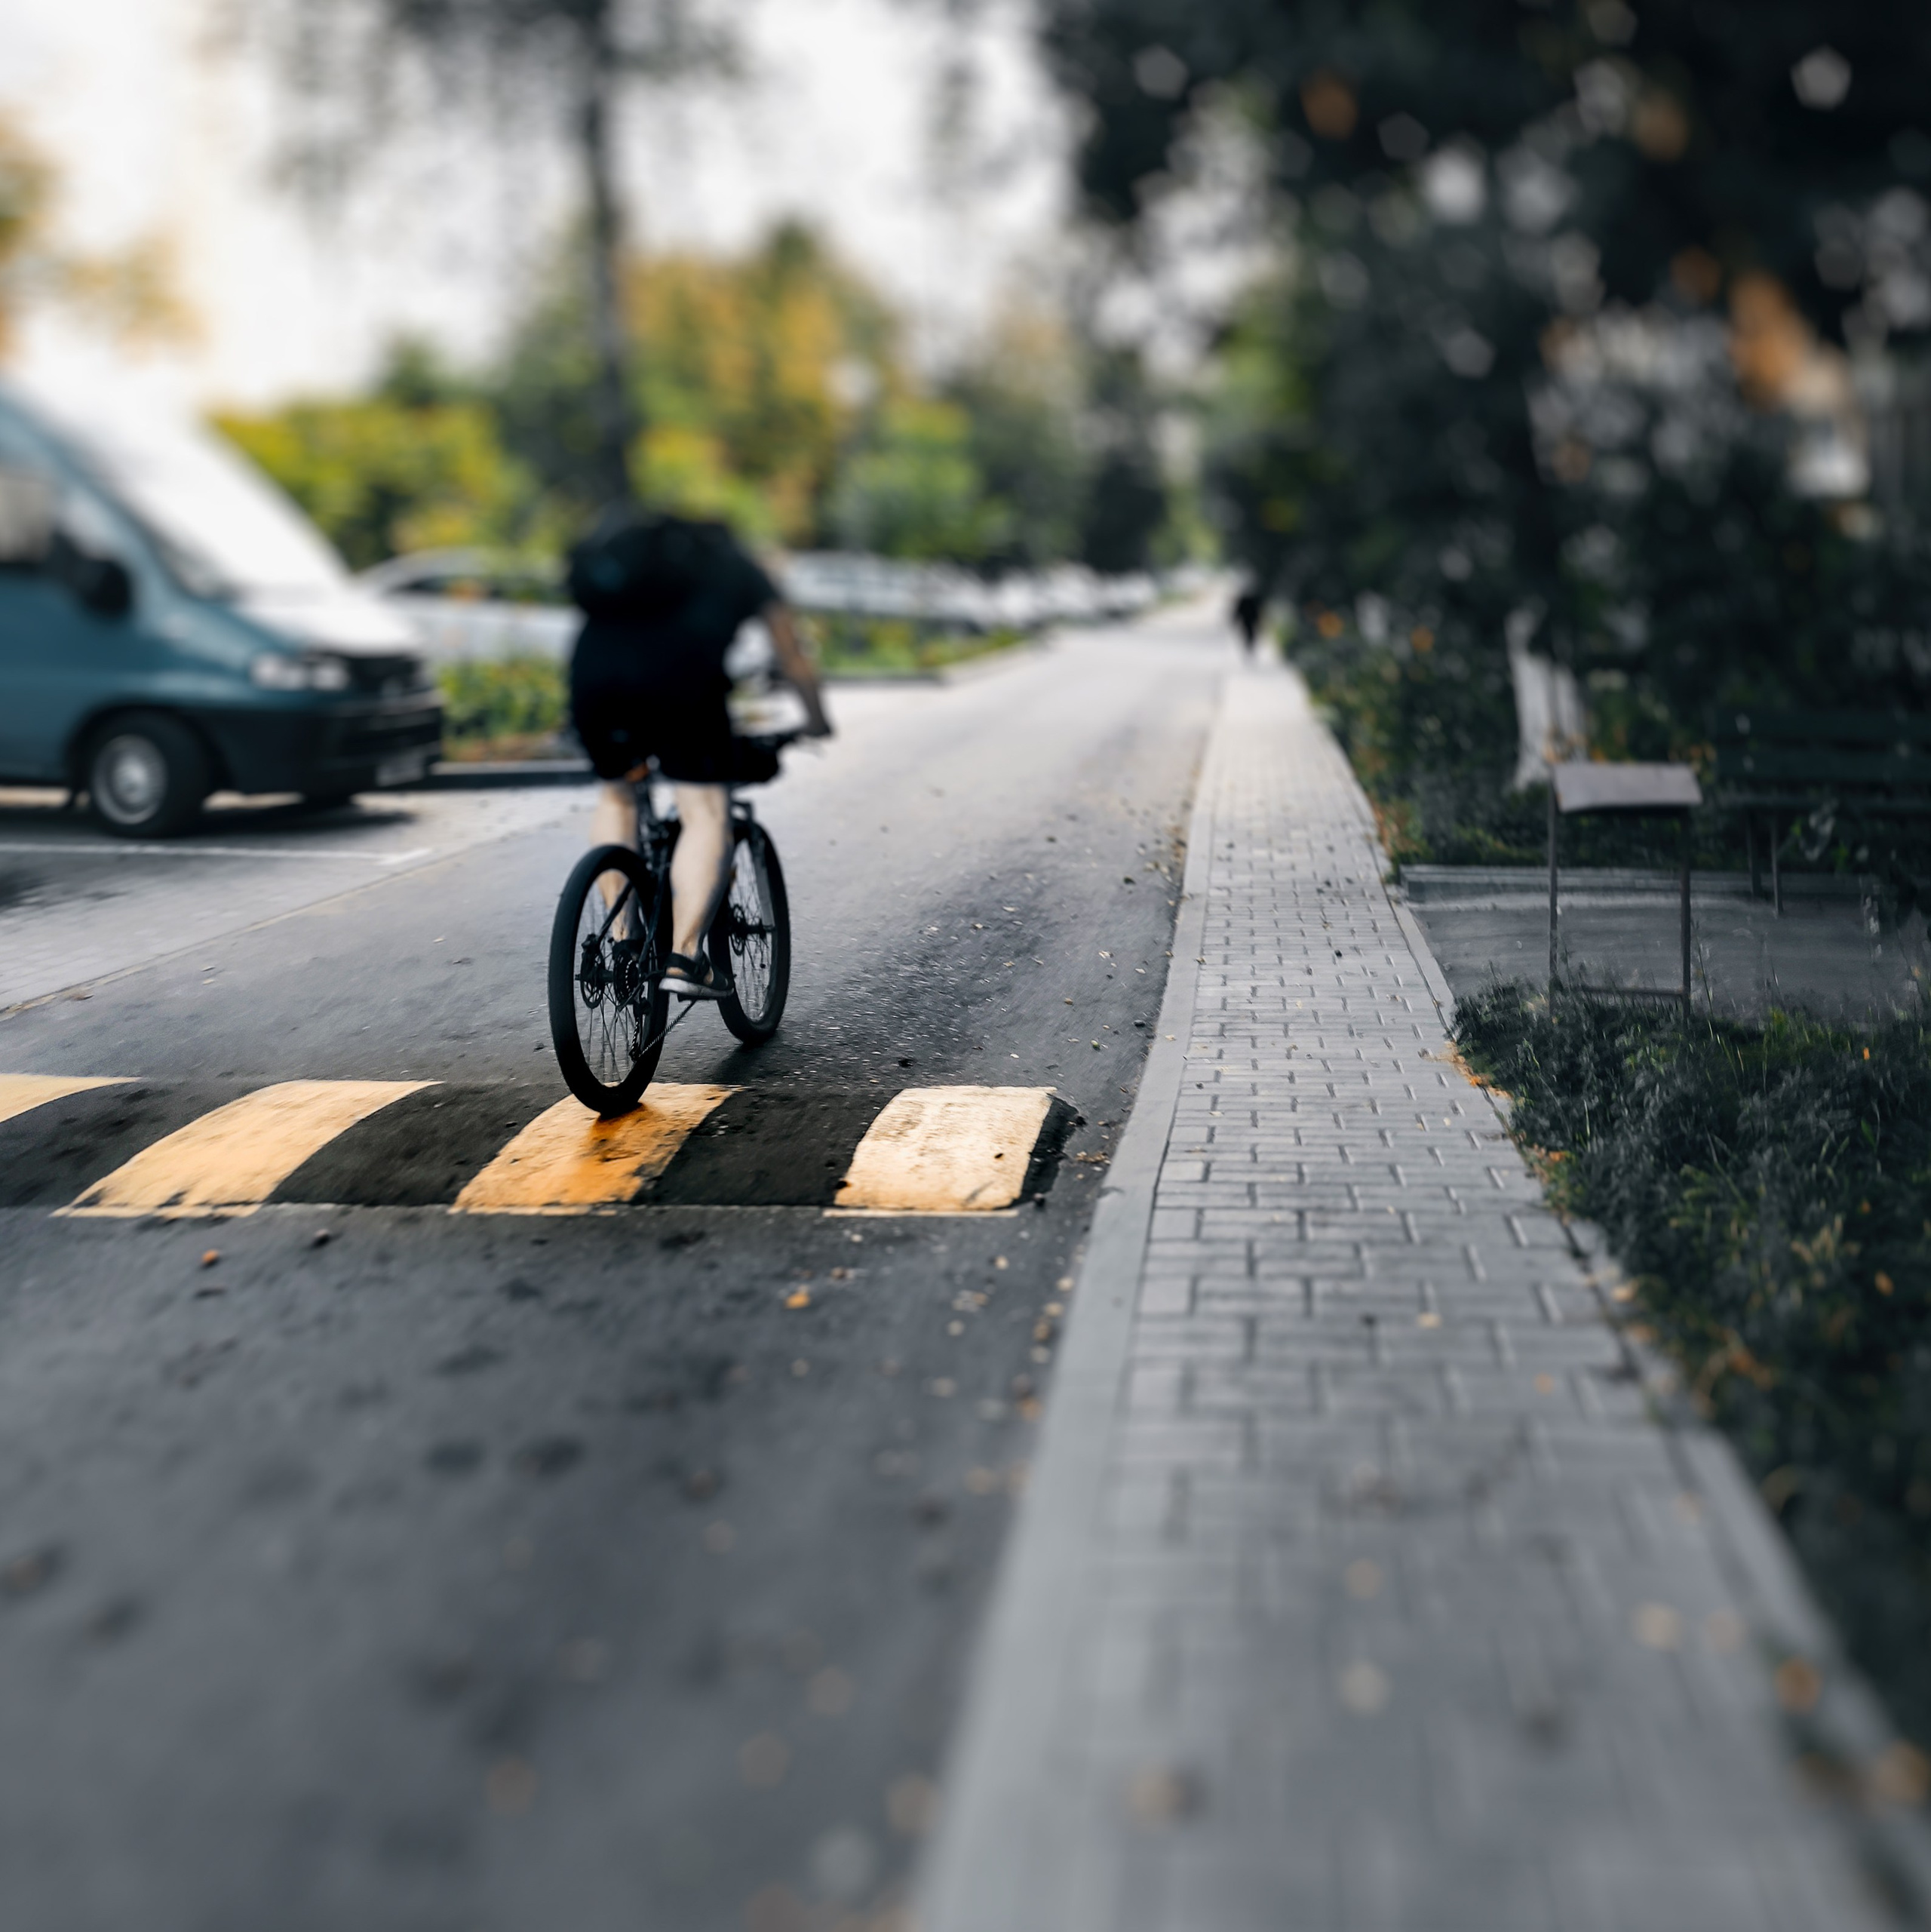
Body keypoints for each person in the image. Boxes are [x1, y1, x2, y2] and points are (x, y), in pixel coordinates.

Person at [566, 507, 831, 1000]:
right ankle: (686, 958)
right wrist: (816, 718)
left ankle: (623, 943)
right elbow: (792, 655)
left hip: (594, 680)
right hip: (681, 686)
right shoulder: (741, 568)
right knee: (705, 809)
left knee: (619, 795)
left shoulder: (637, 563)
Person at [1232, 581, 1266, 657]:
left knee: (1250, 633)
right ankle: (1249, 647)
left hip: (1250, 619)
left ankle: (1250, 647)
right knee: (1249, 633)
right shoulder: (1248, 599)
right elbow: (1238, 610)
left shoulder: (1251, 599)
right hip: (1249, 619)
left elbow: (1259, 610)